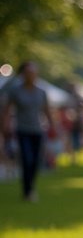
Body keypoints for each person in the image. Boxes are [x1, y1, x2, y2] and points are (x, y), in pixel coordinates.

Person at [0, 61, 57, 202]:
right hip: (22, 130)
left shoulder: (41, 92)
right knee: (27, 159)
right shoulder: (15, 91)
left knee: (35, 161)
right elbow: (7, 110)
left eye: (33, 73)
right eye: (28, 73)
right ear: (23, 74)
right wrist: (5, 125)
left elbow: (47, 110)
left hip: (38, 130)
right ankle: (27, 190)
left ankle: (30, 186)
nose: (31, 75)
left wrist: (53, 126)